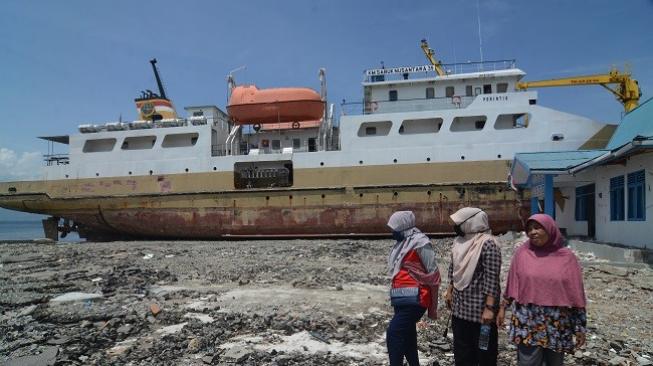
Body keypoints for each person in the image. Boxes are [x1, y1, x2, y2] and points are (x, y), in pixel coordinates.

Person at [497, 214, 587, 366]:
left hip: (557, 324)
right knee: (527, 363)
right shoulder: (522, 254)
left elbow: (575, 294)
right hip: (527, 321)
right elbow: (513, 284)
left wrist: (580, 327)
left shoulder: (567, 257)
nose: (533, 232)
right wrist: (502, 308)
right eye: (530, 229)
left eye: (537, 228)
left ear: (550, 229)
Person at [444, 207, 501, 366]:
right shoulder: (458, 242)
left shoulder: (488, 243)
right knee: (462, 355)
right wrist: (449, 290)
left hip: (481, 315)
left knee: (485, 355)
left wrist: (489, 308)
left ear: (470, 222)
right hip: (459, 310)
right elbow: (453, 269)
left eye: (459, 223)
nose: (456, 227)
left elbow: (492, 278)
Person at [386, 211, 441, 366]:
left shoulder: (421, 243)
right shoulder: (401, 244)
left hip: (417, 298)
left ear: (403, 227)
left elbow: (434, 274)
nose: (393, 232)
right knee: (408, 336)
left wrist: (418, 276)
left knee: (394, 333)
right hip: (401, 297)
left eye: (395, 228)